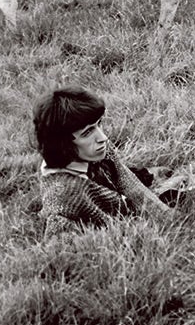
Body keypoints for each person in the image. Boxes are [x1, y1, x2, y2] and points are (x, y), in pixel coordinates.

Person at [33, 86, 173, 237]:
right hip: (115, 219)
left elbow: (127, 180)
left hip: (113, 192)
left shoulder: (97, 148)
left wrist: (165, 214)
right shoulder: (64, 195)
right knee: (169, 188)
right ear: (62, 144)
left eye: (98, 124)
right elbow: (60, 247)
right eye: (87, 132)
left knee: (160, 183)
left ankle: (152, 177)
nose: (103, 138)